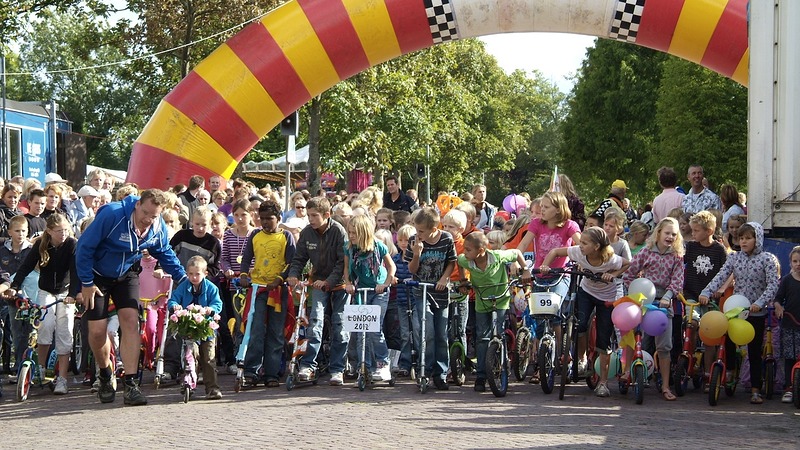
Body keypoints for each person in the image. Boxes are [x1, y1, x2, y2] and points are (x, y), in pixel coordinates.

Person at [75, 189, 187, 406]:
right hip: (98, 275)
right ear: (137, 205)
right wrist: (86, 283)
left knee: (130, 321)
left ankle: (130, 383)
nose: (147, 219)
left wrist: (182, 277)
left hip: (127, 274)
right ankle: (106, 374)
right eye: (145, 213)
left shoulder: (156, 226)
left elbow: (163, 251)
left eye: (153, 216)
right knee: (97, 332)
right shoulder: (112, 215)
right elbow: (84, 248)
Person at [539, 227, 629, 397]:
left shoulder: (610, 259)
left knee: (604, 339)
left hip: (606, 298)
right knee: (578, 325)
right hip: (586, 292)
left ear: (596, 246)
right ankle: (582, 359)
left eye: (585, 243)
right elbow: (556, 251)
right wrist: (545, 265)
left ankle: (603, 382)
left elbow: (627, 264)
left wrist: (614, 275)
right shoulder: (579, 253)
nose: (580, 245)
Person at [699, 222, 780, 405]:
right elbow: (721, 275)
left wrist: (760, 303)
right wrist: (706, 291)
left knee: (753, 351)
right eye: (741, 238)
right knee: (727, 339)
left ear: (757, 239)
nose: (743, 242)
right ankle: (728, 371)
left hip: (755, 312)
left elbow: (773, 284)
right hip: (736, 309)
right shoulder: (735, 258)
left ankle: (755, 389)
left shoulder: (767, 259)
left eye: (748, 238)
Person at [5, 213, 79, 395]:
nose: (63, 234)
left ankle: (62, 378)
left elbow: (75, 270)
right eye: (59, 231)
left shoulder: (71, 244)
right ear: (49, 231)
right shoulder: (41, 244)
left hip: (65, 292)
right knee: (45, 326)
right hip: (46, 291)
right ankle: (40, 369)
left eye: (65, 230)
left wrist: (73, 294)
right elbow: (26, 267)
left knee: (65, 332)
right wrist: (15, 286)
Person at [286, 196, 349, 385]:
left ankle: (337, 369)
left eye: (314, 215)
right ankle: (309, 365)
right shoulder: (307, 233)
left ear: (327, 215)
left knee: (340, 325)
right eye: (309, 215)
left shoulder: (339, 232)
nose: (311, 219)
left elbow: (342, 262)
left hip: (340, 284)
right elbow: (299, 258)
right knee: (315, 322)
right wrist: (293, 275)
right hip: (318, 282)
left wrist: (329, 281)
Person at [623, 217, 685, 402]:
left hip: (662, 303)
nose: (670, 237)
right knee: (632, 336)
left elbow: (677, 281)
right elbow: (629, 274)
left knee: (664, 347)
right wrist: (632, 294)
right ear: (658, 233)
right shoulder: (646, 252)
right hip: (642, 300)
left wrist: (667, 297)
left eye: (674, 234)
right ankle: (626, 372)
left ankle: (665, 385)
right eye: (667, 233)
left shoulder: (677, 257)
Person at [457, 232, 527, 392]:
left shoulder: (497, 256)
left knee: (499, 334)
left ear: (481, 250)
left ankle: (502, 365)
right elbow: (458, 261)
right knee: (482, 337)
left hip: (501, 301)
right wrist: (462, 280)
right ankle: (481, 376)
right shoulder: (467, 261)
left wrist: (526, 270)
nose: (465, 253)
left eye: (468, 250)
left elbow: (516, 253)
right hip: (482, 303)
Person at [239, 200, 295, 387]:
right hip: (258, 289)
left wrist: (279, 279)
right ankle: (251, 371)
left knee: (275, 332)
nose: (265, 222)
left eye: (269, 219)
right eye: (261, 218)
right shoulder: (254, 235)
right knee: (255, 331)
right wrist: (244, 275)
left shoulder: (286, 236)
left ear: (279, 218)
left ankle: (271, 373)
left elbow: (291, 263)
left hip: (278, 291)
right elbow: (246, 258)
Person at [404, 207, 457, 390]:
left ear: (433, 229)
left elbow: (452, 261)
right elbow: (411, 270)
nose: (417, 234)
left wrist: (445, 278)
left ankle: (440, 373)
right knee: (427, 332)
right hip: (421, 291)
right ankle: (424, 370)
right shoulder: (414, 241)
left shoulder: (446, 239)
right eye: (416, 230)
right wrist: (417, 253)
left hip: (440, 292)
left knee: (441, 334)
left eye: (421, 231)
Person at [343, 214, 396, 383]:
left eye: (355, 233)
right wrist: (348, 283)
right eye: (349, 232)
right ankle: (363, 365)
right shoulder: (349, 248)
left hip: (378, 290)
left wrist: (386, 283)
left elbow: (391, 266)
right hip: (361, 290)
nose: (351, 236)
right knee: (359, 331)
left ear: (364, 233)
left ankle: (382, 363)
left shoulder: (378, 246)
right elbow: (346, 269)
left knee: (374, 329)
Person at [166, 255, 223, 399]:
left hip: (206, 328)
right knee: (191, 355)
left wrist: (211, 309)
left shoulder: (211, 288)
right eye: (190, 274)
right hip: (190, 328)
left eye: (197, 274)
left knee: (209, 358)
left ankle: (212, 388)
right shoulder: (183, 286)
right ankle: (189, 382)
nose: (194, 277)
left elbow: (218, 303)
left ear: (205, 274)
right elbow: (173, 299)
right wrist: (175, 306)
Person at [683, 211, 727, 381]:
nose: (693, 234)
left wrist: (719, 289)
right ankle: (690, 357)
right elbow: (680, 263)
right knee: (691, 323)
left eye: (696, 231)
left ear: (709, 231)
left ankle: (708, 371)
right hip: (692, 293)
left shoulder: (719, 250)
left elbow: (726, 272)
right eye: (692, 230)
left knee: (710, 334)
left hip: (711, 298)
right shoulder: (691, 247)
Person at [0, 216, 34, 380]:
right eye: (17, 231)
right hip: (11, 299)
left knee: (31, 331)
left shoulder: (32, 249)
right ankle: (19, 364)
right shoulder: (3, 251)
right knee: (16, 332)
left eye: (24, 231)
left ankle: (31, 363)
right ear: (9, 232)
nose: (21, 234)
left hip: (30, 297)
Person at [774, 246, 800, 403]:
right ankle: (789, 387)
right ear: (790, 263)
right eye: (795, 261)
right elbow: (778, 298)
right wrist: (779, 306)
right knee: (789, 356)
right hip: (790, 324)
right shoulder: (787, 280)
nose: (798, 264)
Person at [392, 224, 415, 377]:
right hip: (401, 300)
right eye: (400, 240)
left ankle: (420, 361)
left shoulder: (415, 259)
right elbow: (390, 272)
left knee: (418, 331)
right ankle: (405, 362)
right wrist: (392, 278)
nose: (403, 243)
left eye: (406, 240)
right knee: (405, 333)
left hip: (415, 300)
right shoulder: (395, 258)